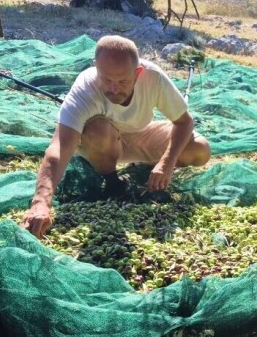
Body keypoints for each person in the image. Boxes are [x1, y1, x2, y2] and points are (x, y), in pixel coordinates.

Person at [21, 35, 211, 238]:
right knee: (98, 129)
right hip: (99, 143)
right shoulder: (84, 89)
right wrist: (41, 202)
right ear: (96, 67)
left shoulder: (153, 78)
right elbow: (59, 147)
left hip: (139, 133)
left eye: (122, 81)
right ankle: (112, 181)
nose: (114, 89)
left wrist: (167, 163)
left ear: (138, 73)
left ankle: (147, 168)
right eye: (107, 79)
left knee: (199, 150)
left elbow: (184, 122)